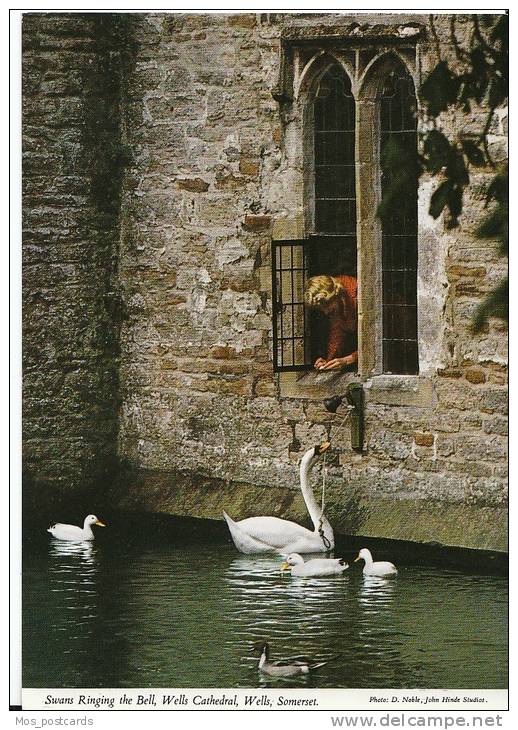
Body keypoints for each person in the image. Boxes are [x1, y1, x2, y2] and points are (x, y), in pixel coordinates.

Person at [304, 274, 358, 371]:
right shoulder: (336, 302)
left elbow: (374, 342)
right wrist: (328, 360)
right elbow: (337, 332)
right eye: (321, 308)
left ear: (335, 295)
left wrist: (350, 358)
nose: (326, 312)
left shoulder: (357, 293)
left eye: (326, 305)